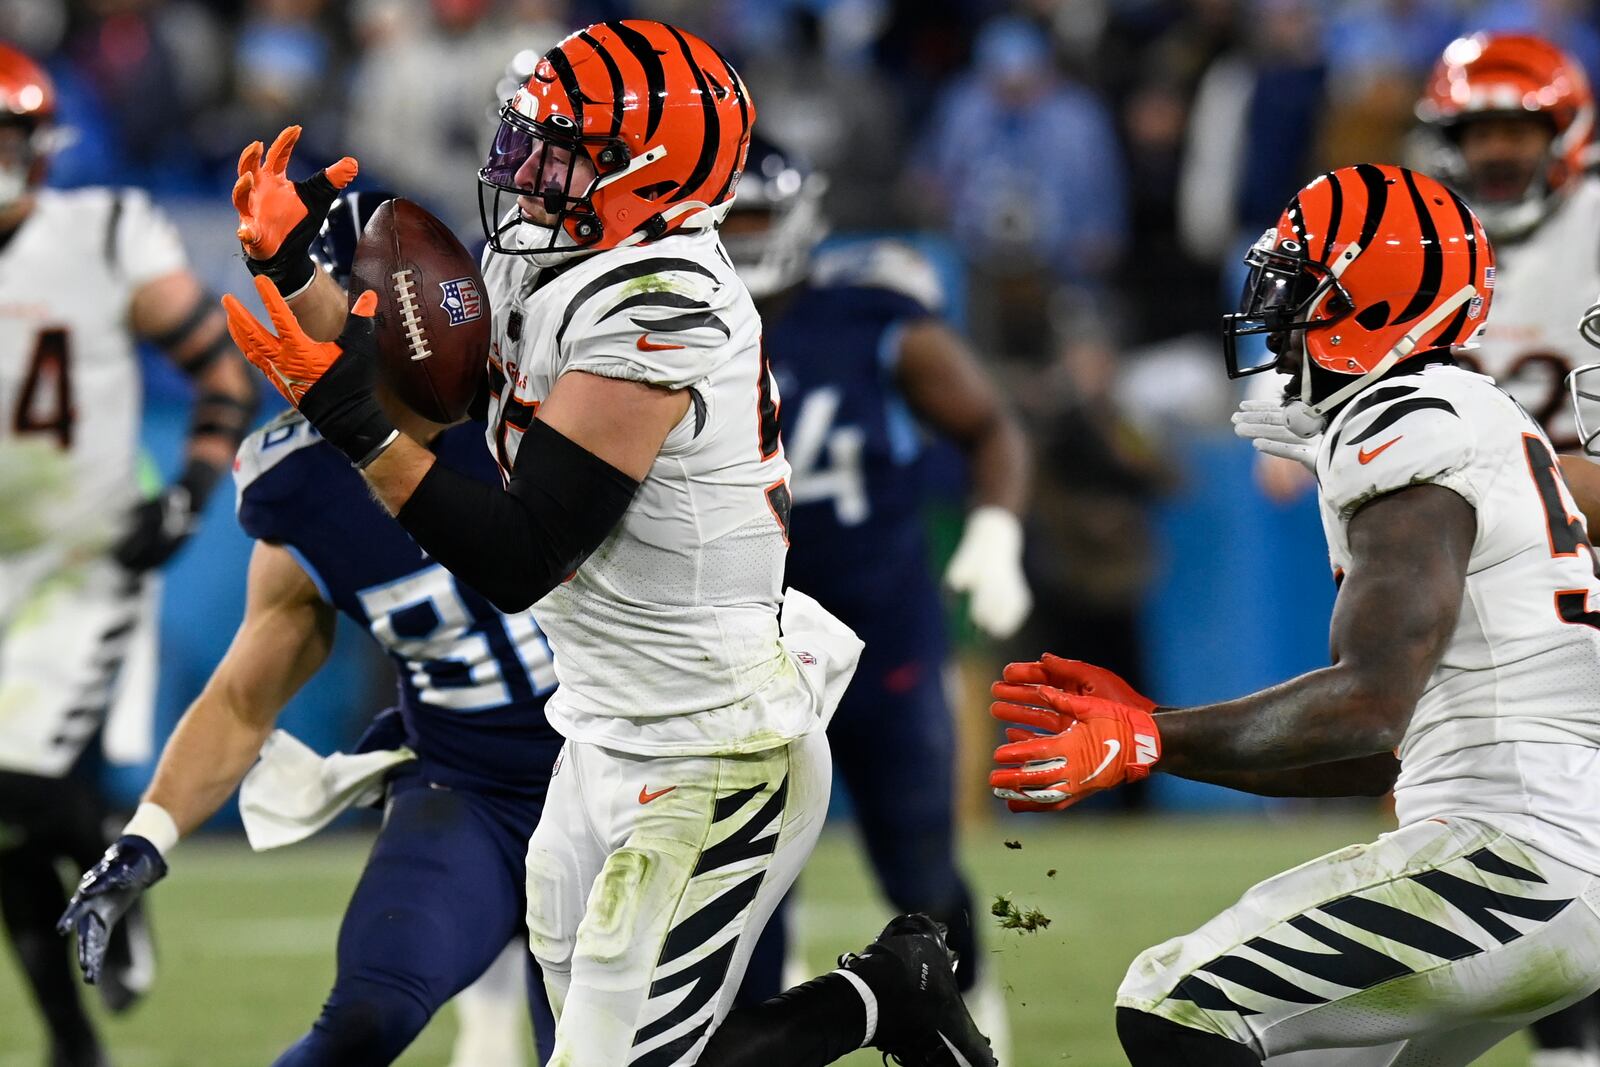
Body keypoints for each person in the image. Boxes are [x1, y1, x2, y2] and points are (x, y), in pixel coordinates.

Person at [214, 20, 992, 1067]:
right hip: (600, 722)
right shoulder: (565, 250)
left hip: (710, 740)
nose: (523, 166)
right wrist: (297, 269)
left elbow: (523, 551)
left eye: (560, 145)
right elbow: (437, 398)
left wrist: (350, 423)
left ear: (649, 169)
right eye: (527, 136)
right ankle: (883, 993)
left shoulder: (661, 299)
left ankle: (887, 993)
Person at [998, 163, 1600, 1065]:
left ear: (1372, 302)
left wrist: (1148, 741)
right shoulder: (1468, 416)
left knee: (1175, 1002)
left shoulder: (1410, 420)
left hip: (1520, 853)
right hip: (1541, 851)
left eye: (1300, 290)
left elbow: (1365, 703)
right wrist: (1155, 730)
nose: (1275, 315)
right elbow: (1372, 756)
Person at [57, 191, 559, 1067]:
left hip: (620, 772)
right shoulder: (305, 485)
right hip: (471, 791)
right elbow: (244, 699)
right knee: (362, 1022)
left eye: (304, 293)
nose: (288, 326)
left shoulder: (549, 389)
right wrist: (146, 837)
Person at [721, 134, 1028, 1052]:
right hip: (744, 654)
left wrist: (998, 528)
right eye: (722, 218)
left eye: (756, 217)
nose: (740, 237)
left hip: (879, 635)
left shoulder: (870, 315)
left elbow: (990, 426)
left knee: (921, 868)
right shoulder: (665, 319)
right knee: (745, 900)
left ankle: (977, 1022)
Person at [0, 44, 258, 1067]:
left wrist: (194, 486)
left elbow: (214, 365)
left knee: (13, 781)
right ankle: (73, 1040)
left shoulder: (102, 229)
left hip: (83, 552)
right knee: (8, 821)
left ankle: (116, 859)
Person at [1246, 32, 1600, 528]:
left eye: (1516, 133)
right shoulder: (1413, 228)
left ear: (1565, 136)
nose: (1496, 152)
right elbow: (1317, 321)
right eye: (1479, 135)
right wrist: (1287, 413)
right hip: (1458, 516)